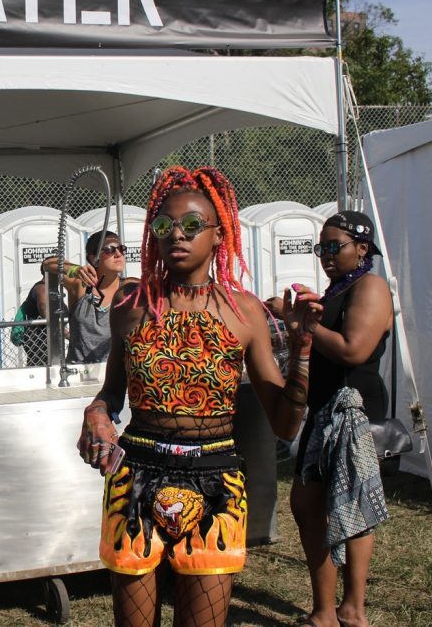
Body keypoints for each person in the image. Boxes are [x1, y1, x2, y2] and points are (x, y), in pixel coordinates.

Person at [77, 166, 319, 627]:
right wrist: (96, 415)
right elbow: (111, 392)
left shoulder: (244, 311)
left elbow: (285, 424)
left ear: (218, 235)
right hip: (136, 479)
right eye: (164, 227)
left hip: (216, 481)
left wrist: (303, 351)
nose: (176, 236)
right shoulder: (131, 309)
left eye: (192, 226)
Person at [288, 210, 393, 627]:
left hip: (352, 411)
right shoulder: (340, 288)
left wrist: (303, 325)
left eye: (335, 247)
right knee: (311, 504)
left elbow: (353, 350)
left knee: (346, 504)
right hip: (325, 410)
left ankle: (348, 609)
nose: (326, 255)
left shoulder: (371, 286)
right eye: (321, 248)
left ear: (362, 248)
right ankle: (329, 610)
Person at [42, 230, 131, 363]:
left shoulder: (128, 288)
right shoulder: (80, 285)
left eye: (121, 249)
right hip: (79, 372)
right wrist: (75, 270)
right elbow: (48, 264)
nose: (118, 254)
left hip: (114, 372)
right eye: (109, 250)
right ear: (93, 258)